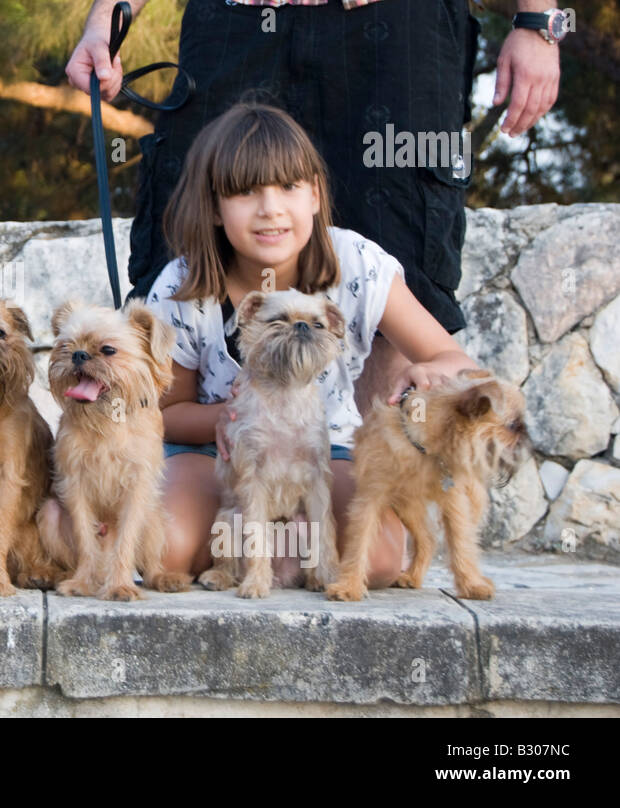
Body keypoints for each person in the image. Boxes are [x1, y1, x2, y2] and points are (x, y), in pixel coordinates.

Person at [66, 0, 562, 403]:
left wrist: (538, 19)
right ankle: (196, 468)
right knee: (185, 240)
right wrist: (107, 17)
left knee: (403, 249)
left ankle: (366, 477)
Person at [43, 103, 480, 585]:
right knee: (167, 551)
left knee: (372, 562)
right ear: (212, 205)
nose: (270, 208)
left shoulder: (357, 264)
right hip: (218, 455)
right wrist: (223, 419)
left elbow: (455, 361)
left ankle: (265, 552)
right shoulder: (183, 286)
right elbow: (164, 410)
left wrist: (430, 372)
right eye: (246, 192)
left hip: (323, 449)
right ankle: (268, 551)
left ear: (314, 193)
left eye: (289, 187)